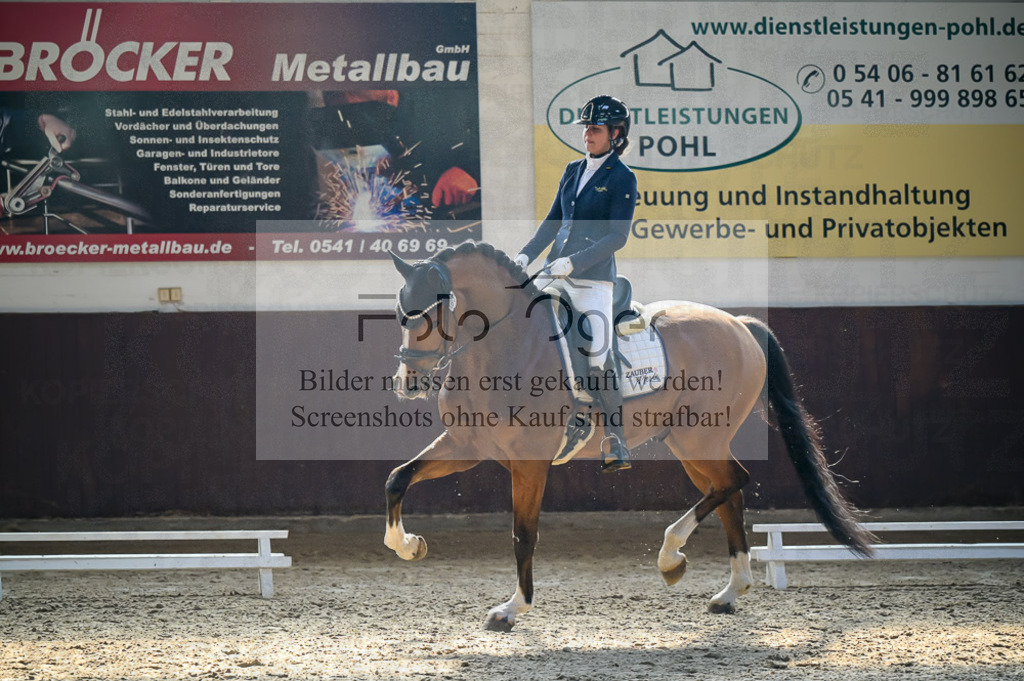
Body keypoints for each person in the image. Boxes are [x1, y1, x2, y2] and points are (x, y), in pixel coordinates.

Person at [514, 95, 637, 473]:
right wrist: (523, 256)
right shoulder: (572, 169)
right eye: (585, 128)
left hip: (592, 280)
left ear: (616, 135)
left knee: (598, 352)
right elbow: (552, 222)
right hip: (555, 272)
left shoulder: (622, 178)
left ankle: (616, 439)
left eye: (595, 129)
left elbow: (618, 237)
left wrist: (576, 262)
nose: (587, 134)